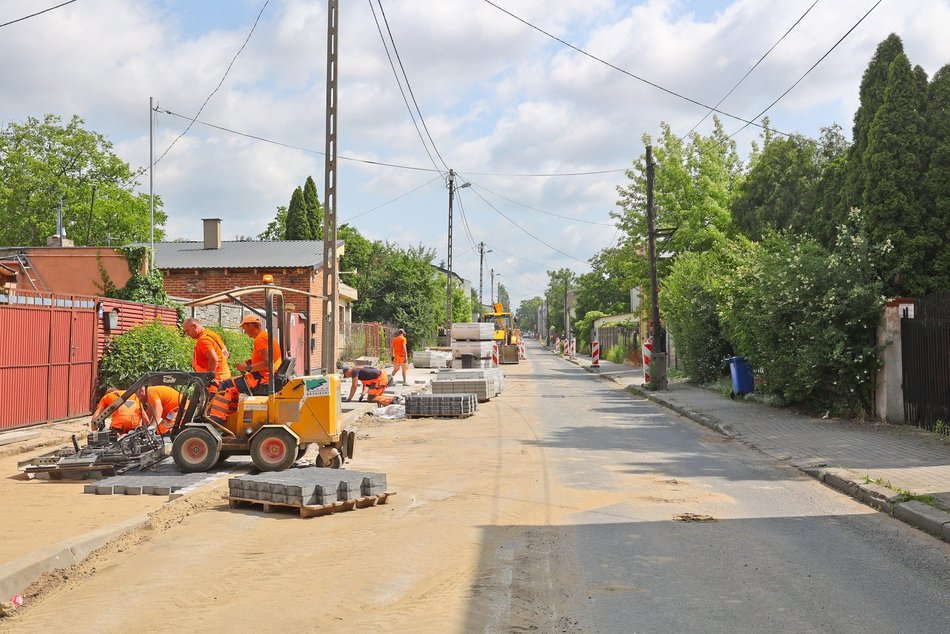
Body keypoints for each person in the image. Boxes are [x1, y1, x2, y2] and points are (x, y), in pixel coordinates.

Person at [206, 314, 282, 426]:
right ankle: (230, 419)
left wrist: (247, 368)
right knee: (232, 388)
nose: (245, 332)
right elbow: (269, 358)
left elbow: (267, 362)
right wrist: (253, 362)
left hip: (262, 379)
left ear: (251, 325)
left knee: (225, 385)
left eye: (245, 328)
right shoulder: (266, 336)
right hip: (267, 376)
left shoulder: (260, 339)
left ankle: (216, 422)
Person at [182, 317, 231, 382]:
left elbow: (214, 359)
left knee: (198, 392)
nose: (187, 334)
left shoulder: (204, 340)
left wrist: (208, 379)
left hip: (214, 381)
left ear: (194, 326)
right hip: (224, 376)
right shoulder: (213, 334)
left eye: (187, 331)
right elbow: (225, 353)